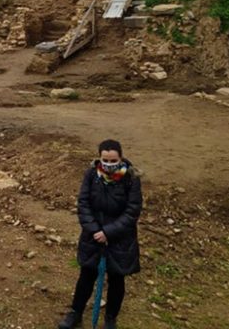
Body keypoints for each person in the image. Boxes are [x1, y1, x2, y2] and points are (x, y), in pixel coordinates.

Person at [58, 139, 142, 329]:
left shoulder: (131, 178)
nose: (109, 164)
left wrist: (108, 232)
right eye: (106, 160)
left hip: (119, 239)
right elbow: (83, 203)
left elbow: (132, 211)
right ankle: (75, 313)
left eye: (113, 161)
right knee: (86, 275)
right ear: (100, 158)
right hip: (93, 236)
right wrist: (95, 230)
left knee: (116, 279)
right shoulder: (91, 175)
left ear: (120, 158)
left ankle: (110, 319)